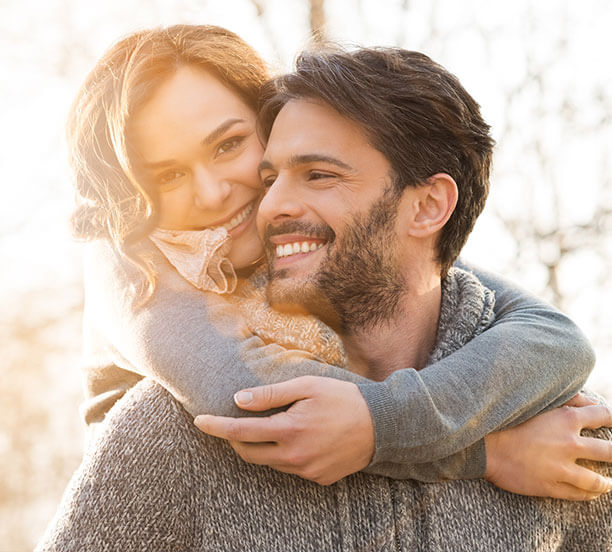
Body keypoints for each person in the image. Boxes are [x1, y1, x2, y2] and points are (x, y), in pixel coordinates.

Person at [37, 45, 612, 551]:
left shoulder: (568, 433)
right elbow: (258, 406)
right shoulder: (137, 278)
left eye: (230, 145)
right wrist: (488, 456)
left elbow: (553, 334)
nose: (218, 193)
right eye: (165, 175)